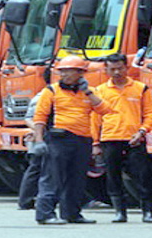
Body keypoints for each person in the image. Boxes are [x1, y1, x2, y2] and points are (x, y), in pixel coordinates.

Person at [30, 55, 110, 225]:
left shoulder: (90, 92)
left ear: (81, 73)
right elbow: (40, 118)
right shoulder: (51, 91)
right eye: (62, 71)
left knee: (77, 179)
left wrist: (87, 92)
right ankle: (45, 214)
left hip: (83, 140)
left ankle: (72, 214)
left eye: (69, 71)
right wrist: (38, 141)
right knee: (52, 178)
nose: (64, 75)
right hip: (59, 139)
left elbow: (104, 109)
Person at [91, 54, 152, 223]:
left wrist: (142, 131)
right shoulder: (99, 91)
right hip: (109, 139)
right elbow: (95, 118)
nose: (116, 72)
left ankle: (148, 212)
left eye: (120, 68)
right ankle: (120, 212)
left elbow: (150, 114)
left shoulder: (141, 88)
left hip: (135, 139)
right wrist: (95, 143)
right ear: (105, 70)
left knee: (142, 175)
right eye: (112, 69)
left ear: (127, 68)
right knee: (113, 177)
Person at [17, 67, 51, 210]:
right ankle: (25, 200)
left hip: (44, 139)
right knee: (36, 168)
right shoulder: (43, 96)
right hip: (41, 140)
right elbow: (29, 119)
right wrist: (39, 132)